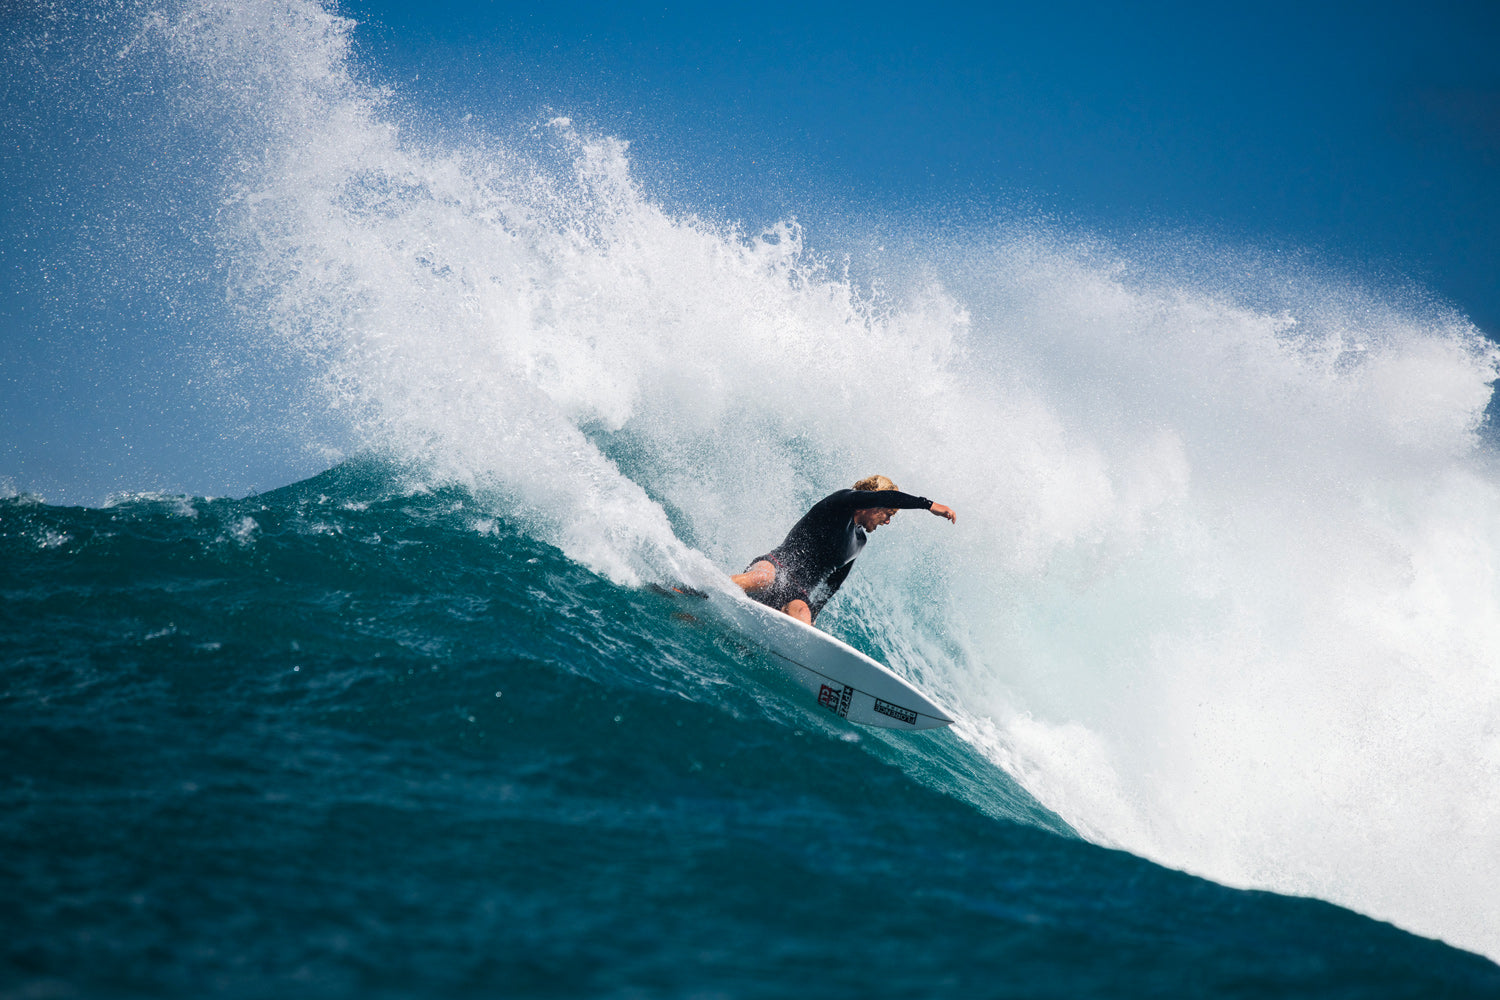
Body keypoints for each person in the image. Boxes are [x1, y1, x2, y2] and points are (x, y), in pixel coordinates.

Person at [730, 475, 956, 626]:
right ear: (872, 505)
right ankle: (704, 585)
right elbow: (886, 495)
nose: (887, 521)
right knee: (763, 578)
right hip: (776, 566)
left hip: (797, 594)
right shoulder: (839, 504)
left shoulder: (859, 541)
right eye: (888, 514)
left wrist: (813, 613)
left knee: (803, 617)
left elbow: (831, 586)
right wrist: (930, 505)